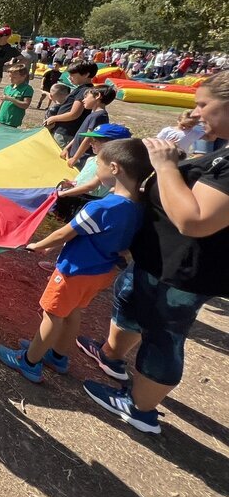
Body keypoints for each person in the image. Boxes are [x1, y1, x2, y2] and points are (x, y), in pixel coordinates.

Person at [78, 71, 229, 434]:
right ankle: (111, 355)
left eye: (203, 104)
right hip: (156, 257)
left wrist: (163, 166)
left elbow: (195, 220)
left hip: (183, 270)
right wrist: (188, 137)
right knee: (129, 300)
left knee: (162, 334)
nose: (195, 111)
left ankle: (140, 408)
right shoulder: (222, 149)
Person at [0, 139, 150, 383]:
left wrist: (38, 244)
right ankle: (57, 356)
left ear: (114, 168)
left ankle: (29, 361)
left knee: (52, 315)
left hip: (74, 271)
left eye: (97, 163)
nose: (94, 167)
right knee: (73, 312)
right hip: (101, 272)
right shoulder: (140, 207)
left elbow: (65, 232)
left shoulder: (102, 207)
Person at [54, 124, 132, 221]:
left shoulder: (108, 166)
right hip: (75, 194)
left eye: (95, 141)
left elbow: (90, 186)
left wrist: (63, 194)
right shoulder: (92, 159)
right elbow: (85, 179)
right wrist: (73, 183)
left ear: (112, 144)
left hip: (86, 202)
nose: (91, 143)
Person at [44, 61, 97, 147]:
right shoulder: (81, 89)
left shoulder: (84, 90)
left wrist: (53, 118)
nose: (69, 77)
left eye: (72, 75)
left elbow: (74, 114)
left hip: (67, 133)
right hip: (64, 130)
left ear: (86, 75)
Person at [62, 85, 117, 167]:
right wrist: (67, 147)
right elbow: (80, 134)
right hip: (75, 155)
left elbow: (89, 139)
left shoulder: (99, 116)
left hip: (82, 158)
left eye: (86, 96)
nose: (83, 100)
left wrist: (75, 158)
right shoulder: (94, 114)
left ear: (97, 96)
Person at [0, 64, 34, 128]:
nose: (10, 79)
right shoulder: (8, 88)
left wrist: (11, 99)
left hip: (12, 121)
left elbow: (26, 105)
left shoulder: (27, 89)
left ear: (23, 76)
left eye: (14, 77)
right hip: (0, 118)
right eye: (10, 76)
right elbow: (1, 103)